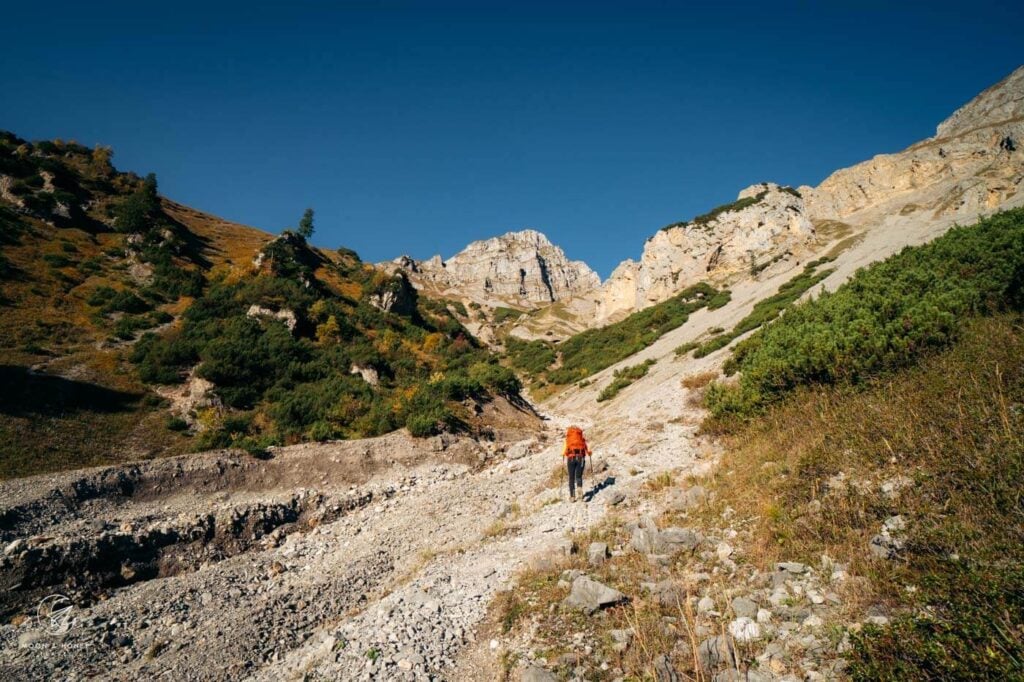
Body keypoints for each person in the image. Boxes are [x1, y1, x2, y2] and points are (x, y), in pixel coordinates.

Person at [562, 425, 591, 502]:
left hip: (571, 458)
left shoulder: (568, 439)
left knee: (571, 478)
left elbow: (564, 452)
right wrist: (589, 453)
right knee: (578, 477)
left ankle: (572, 496)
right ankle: (579, 490)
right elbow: (588, 450)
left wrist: (564, 455)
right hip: (580, 458)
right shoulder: (581, 439)